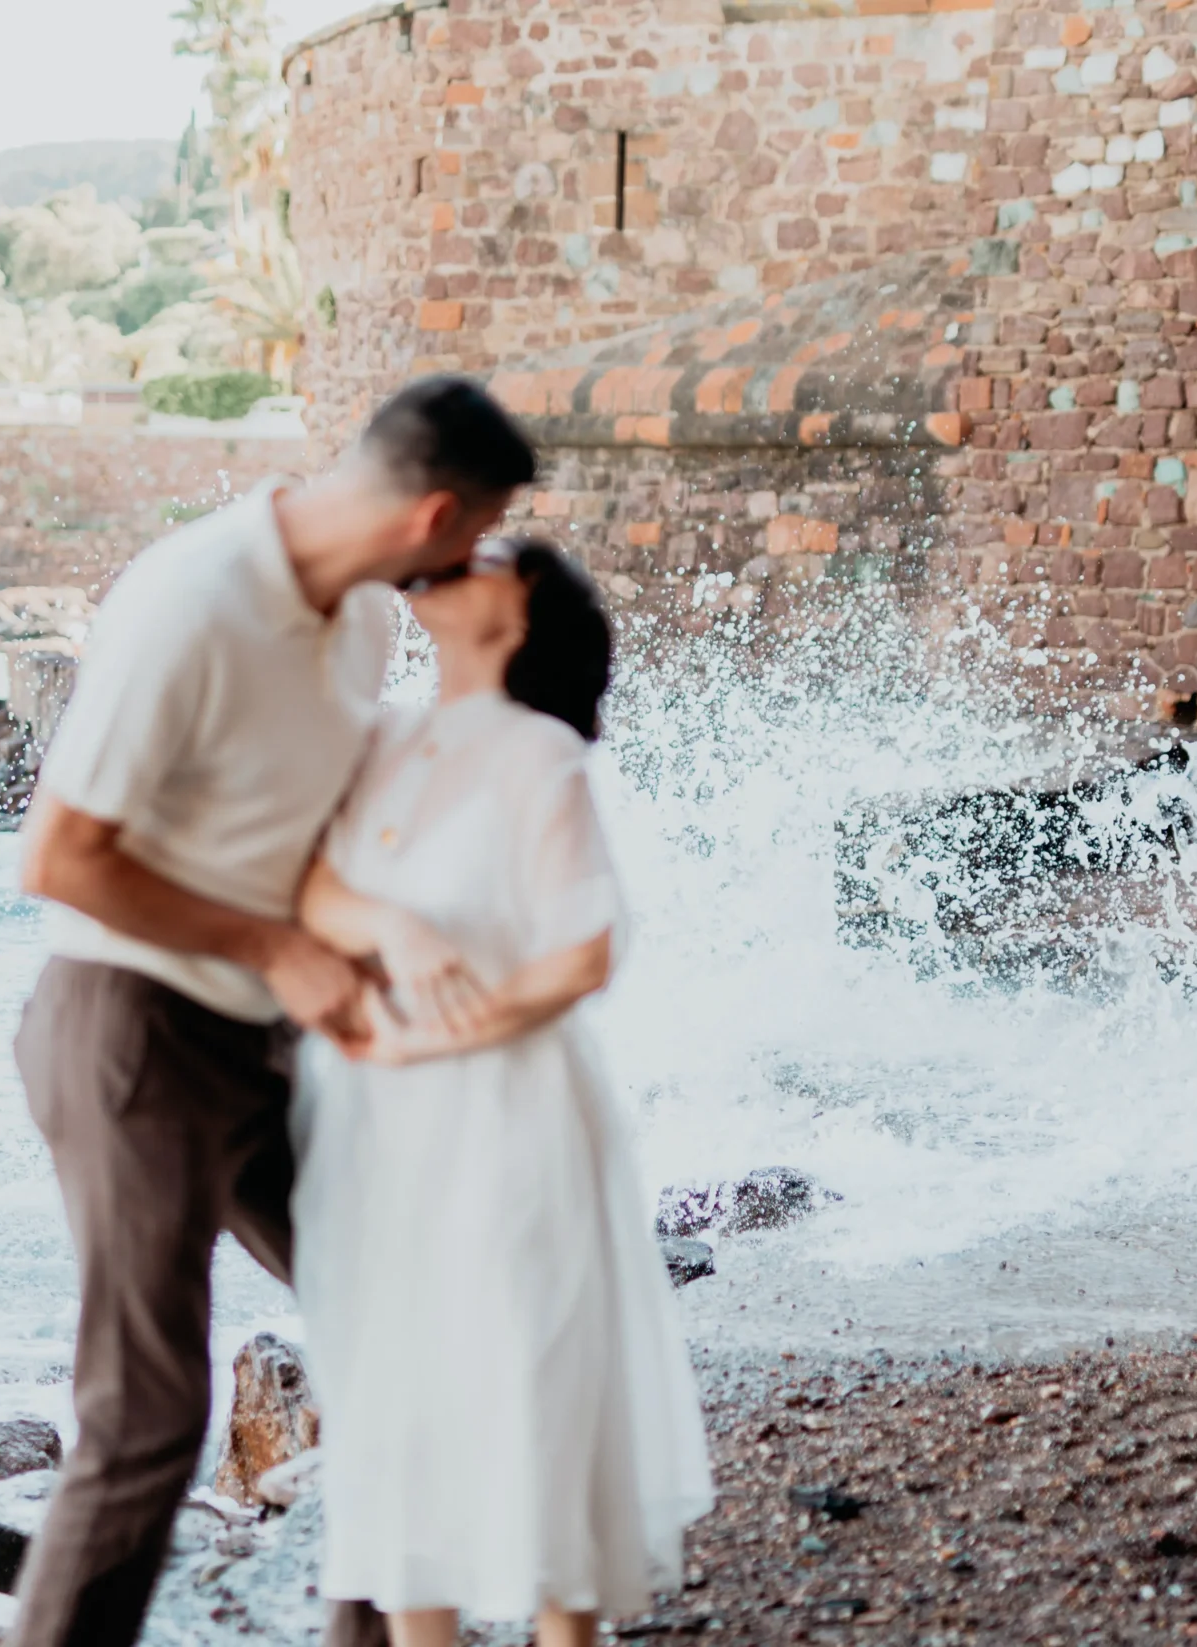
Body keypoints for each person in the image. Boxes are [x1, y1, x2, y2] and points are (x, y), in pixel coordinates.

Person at [7, 377, 537, 1647]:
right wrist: (274, 946)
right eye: (475, 539)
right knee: (145, 1419)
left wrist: (374, 936)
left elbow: (295, 841)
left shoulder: (357, 624)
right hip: (126, 1028)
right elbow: (62, 858)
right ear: (435, 516)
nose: (473, 564)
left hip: (262, 1039)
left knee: (409, 1331)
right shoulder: (189, 605)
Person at [291, 537, 715, 1647]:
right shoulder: (379, 736)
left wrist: (436, 1037)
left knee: (529, 1371)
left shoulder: (539, 756)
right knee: (397, 1389)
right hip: (373, 1117)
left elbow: (585, 952)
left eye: (492, 562)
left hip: (505, 1110)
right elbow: (309, 886)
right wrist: (391, 931)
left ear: (516, 621)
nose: (458, 560)